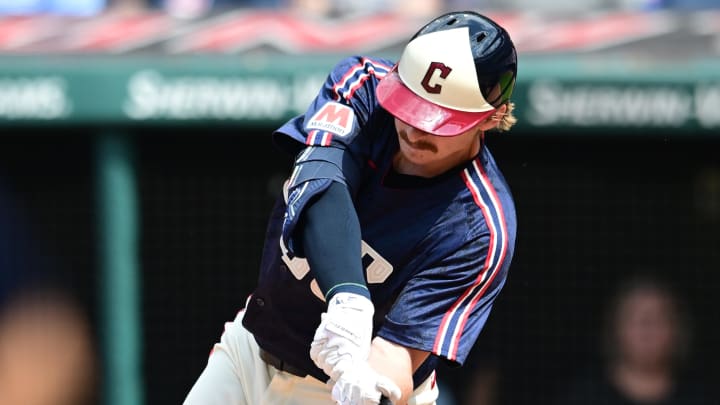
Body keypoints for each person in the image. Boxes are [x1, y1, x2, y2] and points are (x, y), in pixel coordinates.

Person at [184, 10, 518, 405]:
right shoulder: (361, 86)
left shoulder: (479, 228)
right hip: (251, 348)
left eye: (436, 120)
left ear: (493, 117)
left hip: (336, 388)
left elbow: (399, 355)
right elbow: (322, 184)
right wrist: (349, 300)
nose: (413, 129)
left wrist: (367, 385)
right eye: (410, 105)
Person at [557, 275, 715, 405]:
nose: (647, 329)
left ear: (678, 329)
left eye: (659, 318)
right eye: (635, 318)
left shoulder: (701, 398)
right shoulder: (585, 396)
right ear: (615, 328)